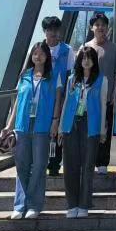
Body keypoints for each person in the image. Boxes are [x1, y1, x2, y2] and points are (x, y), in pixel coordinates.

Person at [0, 42, 63, 219]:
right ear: (31, 56)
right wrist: (9, 125)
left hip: (43, 125)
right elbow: (18, 102)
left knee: (40, 165)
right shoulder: (25, 76)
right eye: (35, 54)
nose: (38, 56)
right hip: (22, 125)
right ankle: (20, 205)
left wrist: (55, 121)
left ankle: (34, 205)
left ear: (47, 56)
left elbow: (58, 100)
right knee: (22, 165)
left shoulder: (54, 76)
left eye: (41, 53)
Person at [59, 46, 108, 218]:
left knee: (87, 165)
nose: (86, 61)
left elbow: (103, 105)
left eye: (89, 58)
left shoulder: (101, 80)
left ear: (94, 61)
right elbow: (66, 102)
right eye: (83, 58)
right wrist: (61, 127)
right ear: (79, 61)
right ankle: (72, 204)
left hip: (91, 123)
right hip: (71, 123)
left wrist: (102, 130)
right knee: (70, 165)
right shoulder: (72, 79)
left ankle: (84, 204)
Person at [85, 12, 116, 176]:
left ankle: (102, 162)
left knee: (104, 130)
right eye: (97, 25)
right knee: (88, 129)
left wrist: (114, 94)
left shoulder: (114, 48)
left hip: (107, 98)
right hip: (88, 99)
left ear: (108, 28)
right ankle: (88, 160)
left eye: (103, 25)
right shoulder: (85, 47)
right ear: (91, 27)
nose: (100, 28)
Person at [42, 16, 74, 177]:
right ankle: (39, 162)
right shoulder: (38, 48)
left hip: (60, 97)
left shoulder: (67, 50)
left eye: (56, 29)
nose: (53, 33)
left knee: (56, 131)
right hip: (41, 96)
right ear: (45, 31)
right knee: (40, 130)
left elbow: (70, 74)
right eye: (49, 30)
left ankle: (53, 165)